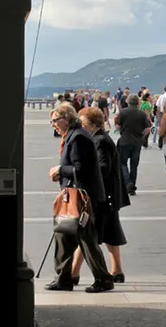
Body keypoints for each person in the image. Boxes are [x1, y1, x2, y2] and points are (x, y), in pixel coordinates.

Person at [45, 103, 114, 293]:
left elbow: (81, 169)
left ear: (66, 119)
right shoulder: (73, 136)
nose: (52, 125)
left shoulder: (78, 138)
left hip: (82, 198)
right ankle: (63, 278)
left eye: (54, 120)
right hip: (74, 197)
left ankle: (103, 279)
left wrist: (60, 170)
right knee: (65, 236)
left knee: (86, 240)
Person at [71, 107, 130, 285]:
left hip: (102, 196)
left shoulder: (99, 141)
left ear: (91, 124)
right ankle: (117, 270)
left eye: (83, 123)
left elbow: (102, 168)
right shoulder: (101, 138)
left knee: (87, 233)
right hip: (109, 196)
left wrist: (88, 181)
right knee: (110, 233)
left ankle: (73, 273)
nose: (81, 127)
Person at [115, 94, 150, 196]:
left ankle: (128, 182)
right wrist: (141, 137)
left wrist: (121, 130)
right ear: (138, 103)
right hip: (137, 142)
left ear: (128, 102)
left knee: (122, 163)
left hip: (124, 141)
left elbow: (117, 126)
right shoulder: (142, 114)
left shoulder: (123, 112)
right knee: (134, 165)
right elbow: (147, 129)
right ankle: (132, 186)